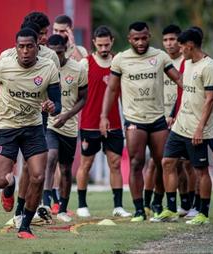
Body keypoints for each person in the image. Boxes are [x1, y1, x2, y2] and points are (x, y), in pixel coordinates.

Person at [0, 28, 61, 239]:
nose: (25, 51)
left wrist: (53, 107)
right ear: (16, 48)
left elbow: (57, 103)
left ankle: (25, 225)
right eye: (21, 47)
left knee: (38, 176)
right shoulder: (4, 66)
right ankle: (9, 187)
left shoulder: (48, 67)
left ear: (37, 47)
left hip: (33, 127)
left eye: (29, 46)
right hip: (6, 127)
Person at [100, 22, 182, 222]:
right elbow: (111, 89)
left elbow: (179, 79)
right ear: (129, 39)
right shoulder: (120, 59)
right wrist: (103, 116)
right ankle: (138, 209)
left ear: (149, 36)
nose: (140, 42)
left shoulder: (159, 56)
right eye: (136, 39)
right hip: (134, 120)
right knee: (137, 163)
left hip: (158, 119)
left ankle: (156, 204)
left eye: (144, 38)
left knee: (163, 162)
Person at [157, 28, 213, 225]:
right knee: (167, 162)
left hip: (199, 130)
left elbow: (210, 100)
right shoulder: (186, 63)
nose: (179, 49)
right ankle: (171, 209)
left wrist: (200, 128)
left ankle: (203, 214)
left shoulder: (209, 67)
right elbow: (184, 89)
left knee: (201, 170)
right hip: (179, 126)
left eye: (181, 46)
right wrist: (174, 114)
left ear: (190, 46)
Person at [76, 26, 131, 218]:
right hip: (90, 122)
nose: (104, 48)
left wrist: (128, 118)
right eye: (100, 45)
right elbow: (77, 92)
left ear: (112, 42)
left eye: (107, 44)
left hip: (114, 122)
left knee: (115, 163)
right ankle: (82, 205)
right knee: (86, 164)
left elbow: (125, 93)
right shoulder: (85, 63)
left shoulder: (119, 63)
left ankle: (118, 206)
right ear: (94, 43)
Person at [144, 24, 196, 219]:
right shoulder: (159, 60)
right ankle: (150, 204)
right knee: (156, 163)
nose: (169, 43)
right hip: (159, 119)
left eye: (172, 39)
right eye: (165, 40)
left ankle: (189, 204)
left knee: (185, 165)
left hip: (181, 119)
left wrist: (176, 114)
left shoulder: (187, 61)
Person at [42, 34, 88, 222]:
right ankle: (45, 204)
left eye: (59, 52)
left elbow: (83, 98)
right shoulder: (43, 68)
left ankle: (62, 208)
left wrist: (67, 115)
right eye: (52, 52)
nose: (56, 57)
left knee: (66, 169)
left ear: (66, 49)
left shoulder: (78, 69)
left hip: (69, 126)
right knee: (50, 157)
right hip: (49, 124)